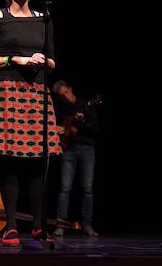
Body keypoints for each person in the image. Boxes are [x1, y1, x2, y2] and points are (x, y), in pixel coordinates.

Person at [0, 0, 63, 247]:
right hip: (8, 90)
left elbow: (52, 61)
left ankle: (38, 226)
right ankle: (11, 226)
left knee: (39, 160)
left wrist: (41, 60)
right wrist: (14, 60)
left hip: (37, 91)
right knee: (10, 161)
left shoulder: (43, 18)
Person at [51, 80, 100, 237]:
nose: (65, 97)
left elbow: (96, 128)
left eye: (66, 92)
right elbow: (56, 127)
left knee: (87, 188)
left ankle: (87, 224)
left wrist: (83, 122)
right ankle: (61, 224)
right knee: (65, 187)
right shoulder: (60, 109)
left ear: (70, 89)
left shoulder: (86, 104)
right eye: (62, 96)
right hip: (68, 150)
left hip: (87, 149)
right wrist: (57, 130)